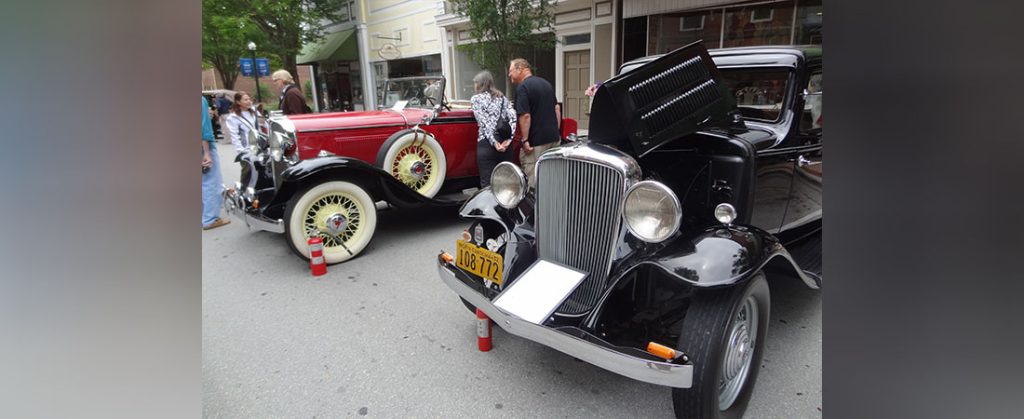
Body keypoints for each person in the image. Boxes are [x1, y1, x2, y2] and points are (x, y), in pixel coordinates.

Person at [508, 58, 560, 188]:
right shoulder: (546, 84)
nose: (509, 75)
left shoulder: (523, 87)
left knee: (532, 182)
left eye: (511, 71)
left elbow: (525, 115)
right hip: (553, 139)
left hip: (535, 144)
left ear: (520, 69)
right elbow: (556, 108)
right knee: (551, 178)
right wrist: (555, 131)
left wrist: (525, 140)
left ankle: (534, 208)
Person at [470, 70, 516, 188]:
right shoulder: (502, 98)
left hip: (487, 144)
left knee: (487, 185)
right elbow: (513, 118)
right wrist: (510, 140)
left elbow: (484, 122)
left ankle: (490, 207)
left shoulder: (476, 99)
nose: (474, 86)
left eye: (475, 83)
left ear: (481, 84)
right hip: (505, 143)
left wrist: (494, 142)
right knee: (505, 184)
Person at [201, 96, 230, 230]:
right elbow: (203, 128)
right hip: (203, 147)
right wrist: (206, 152)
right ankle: (210, 219)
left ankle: (204, 215)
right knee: (211, 182)